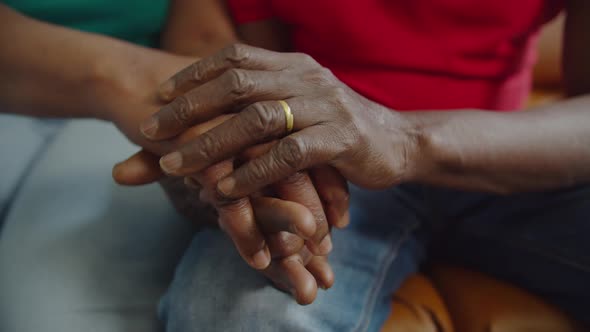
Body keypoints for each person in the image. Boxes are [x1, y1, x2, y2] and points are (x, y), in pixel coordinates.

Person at [114, 0, 590, 331]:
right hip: (324, 167)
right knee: (242, 317)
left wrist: (404, 140)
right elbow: (244, 75)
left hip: (501, 154)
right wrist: (240, 166)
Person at [0, 1, 344, 331]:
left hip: (155, 85)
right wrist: (126, 79)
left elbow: (206, 35)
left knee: (54, 315)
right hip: (132, 88)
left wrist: (229, 132)